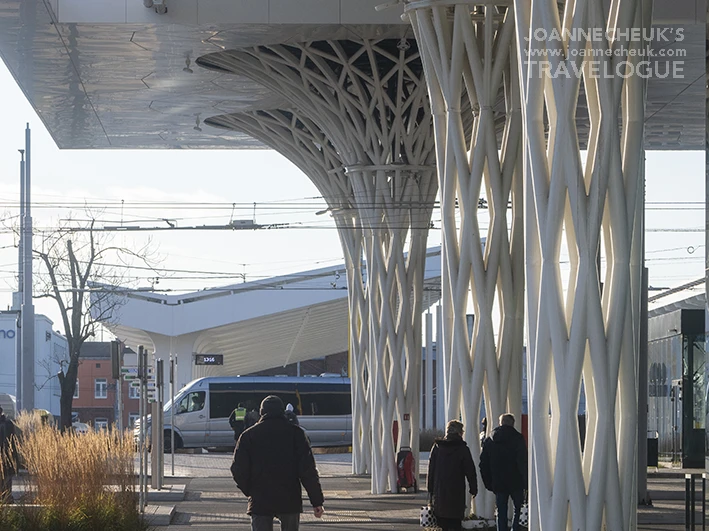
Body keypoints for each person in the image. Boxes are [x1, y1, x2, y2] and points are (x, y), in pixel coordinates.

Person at [231, 395, 324, 531]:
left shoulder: (248, 435)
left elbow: (237, 469)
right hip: (289, 497)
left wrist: (250, 491)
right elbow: (308, 470)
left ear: (261, 412)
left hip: (260, 498)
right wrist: (316, 501)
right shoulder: (296, 434)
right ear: (282, 411)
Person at [427, 420, 478, 531]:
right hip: (456, 494)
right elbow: (470, 471)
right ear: (460, 433)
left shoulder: (437, 447)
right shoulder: (463, 449)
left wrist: (430, 490)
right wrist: (473, 488)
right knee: (455, 525)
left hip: (440, 494)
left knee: (443, 524)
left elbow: (431, 470)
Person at [479, 413, 527, 531]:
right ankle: (515, 528)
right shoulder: (518, 438)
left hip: (498, 482)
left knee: (501, 511)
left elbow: (483, 463)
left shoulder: (490, 439)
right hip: (517, 481)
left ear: (500, 423)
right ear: (513, 424)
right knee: (518, 509)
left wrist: (489, 482)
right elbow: (522, 461)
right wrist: (526, 481)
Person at [0, 406, 18, 503]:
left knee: (5, 479)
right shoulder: (9, 424)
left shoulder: (7, 424)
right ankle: (6, 497)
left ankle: (6, 497)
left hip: (5, 456)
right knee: (6, 479)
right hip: (7, 457)